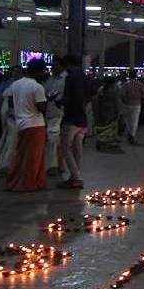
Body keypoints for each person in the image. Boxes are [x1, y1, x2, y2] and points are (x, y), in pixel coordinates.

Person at [6, 59, 49, 192]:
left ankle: (17, 181)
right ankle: (29, 183)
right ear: (38, 71)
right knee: (34, 157)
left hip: (21, 124)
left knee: (21, 155)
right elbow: (42, 107)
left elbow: (10, 102)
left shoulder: (15, 84)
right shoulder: (37, 87)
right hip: (35, 125)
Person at [57, 55, 91, 189]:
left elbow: (70, 97)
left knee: (65, 147)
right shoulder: (85, 76)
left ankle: (76, 177)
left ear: (68, 65)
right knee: (77, 148)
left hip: (71, 117)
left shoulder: (71, 77)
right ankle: (74, 176)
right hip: (82, 118)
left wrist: (60, 102)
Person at [0, 67, 21, 173]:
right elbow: (3, 99)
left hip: (10, 113)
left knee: (8, 138)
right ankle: (6, 163)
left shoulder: (11, 85)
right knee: (10, 138)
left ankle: (6, 162)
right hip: (10, 113)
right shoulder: (11, 85)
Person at [43, 63, 67, 175]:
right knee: (54, 140)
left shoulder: (65, 79)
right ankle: (55, 165)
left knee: (54, 139)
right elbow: (45, 94)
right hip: (50, 112)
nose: (53, 69)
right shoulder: (50, 79)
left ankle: (54, 166)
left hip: (60, 113)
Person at [93, 77, 123, 153]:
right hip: (111, 111)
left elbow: (97, 101)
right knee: (109, 127)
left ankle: (100, 142)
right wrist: (118, 112)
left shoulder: (101, 89)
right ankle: (106, 143)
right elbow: (117, 102)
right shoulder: (114, 90)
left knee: (103, 126)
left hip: (102, 110)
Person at [120, 69, 144, 144]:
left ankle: (130, 135)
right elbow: (143, 95)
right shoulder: (140, 84)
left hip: (127, 104)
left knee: (128, 121)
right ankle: (132, 135)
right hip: (137, 104)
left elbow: (122, 95)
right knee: (135, 121)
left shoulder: (125, 84)